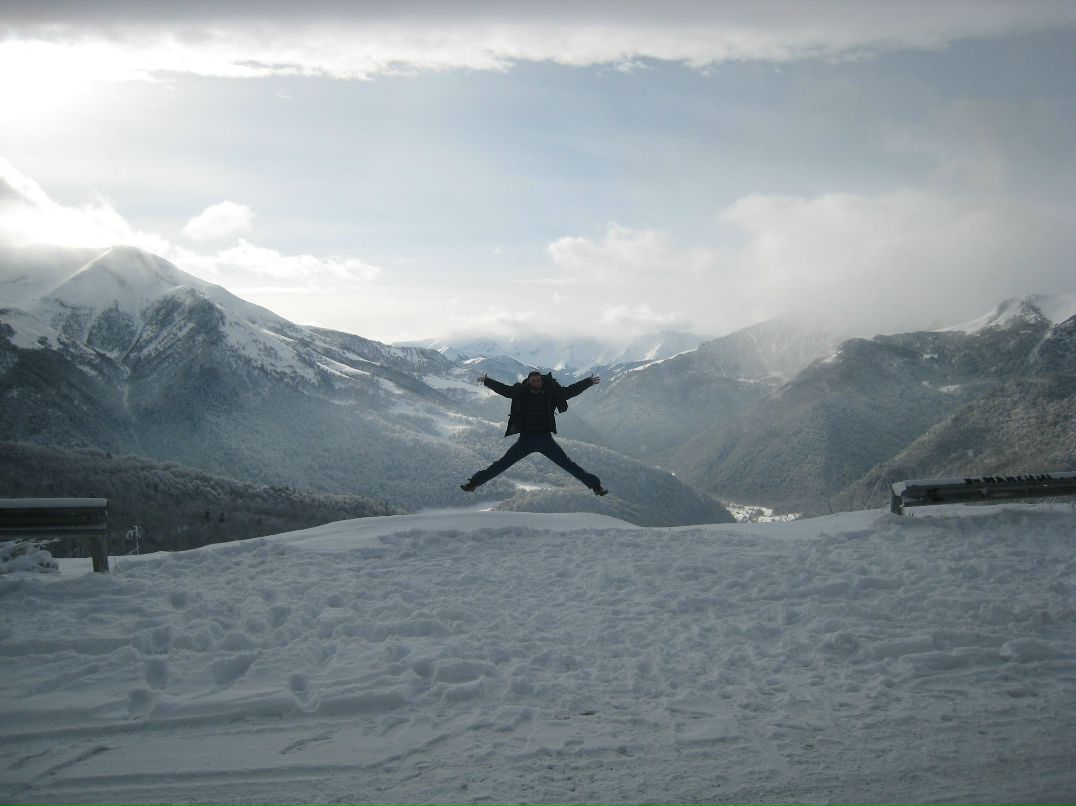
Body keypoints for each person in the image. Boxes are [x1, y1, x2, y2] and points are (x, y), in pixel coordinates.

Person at [461, 370, 608, 496]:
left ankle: (595, 486)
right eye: (534, 381)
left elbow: (570, 391)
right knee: (502, 464)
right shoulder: (521, 392)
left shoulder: (551, 392)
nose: (537, 382)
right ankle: (474, 483)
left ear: (542, 381)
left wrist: (588, 382)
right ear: (529, 382)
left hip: (545, 439)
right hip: (526, 439)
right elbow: (504, 390)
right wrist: (487, 381)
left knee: (567, 464)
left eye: (538, 380)